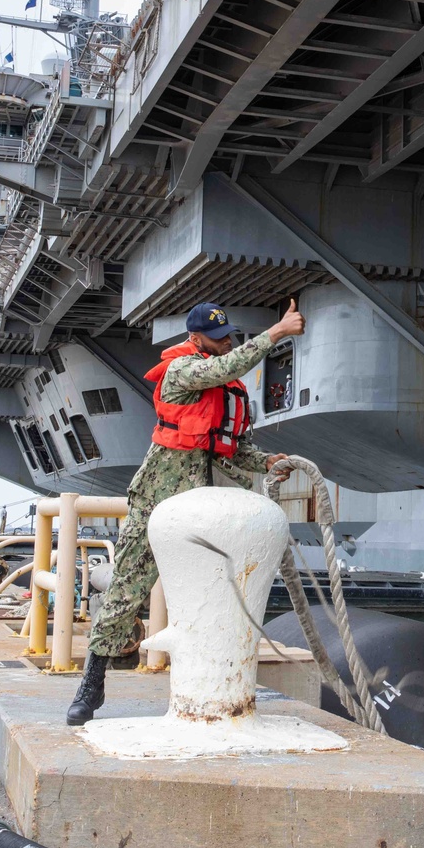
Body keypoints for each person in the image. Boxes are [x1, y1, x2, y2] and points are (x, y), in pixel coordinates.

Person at [66, 298, 306, 726]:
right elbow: (223, 369)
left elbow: (233, 446)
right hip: (160, 496)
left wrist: (266, 461)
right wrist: (277, 332)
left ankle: (211, 684)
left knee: (214, 588)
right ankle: (92, 681)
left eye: (228, 335)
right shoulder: (184, 370)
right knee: (127, 587)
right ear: (195, 340)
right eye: (217, 339)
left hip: (204, 506)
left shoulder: (229, 390)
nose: (226, 342)